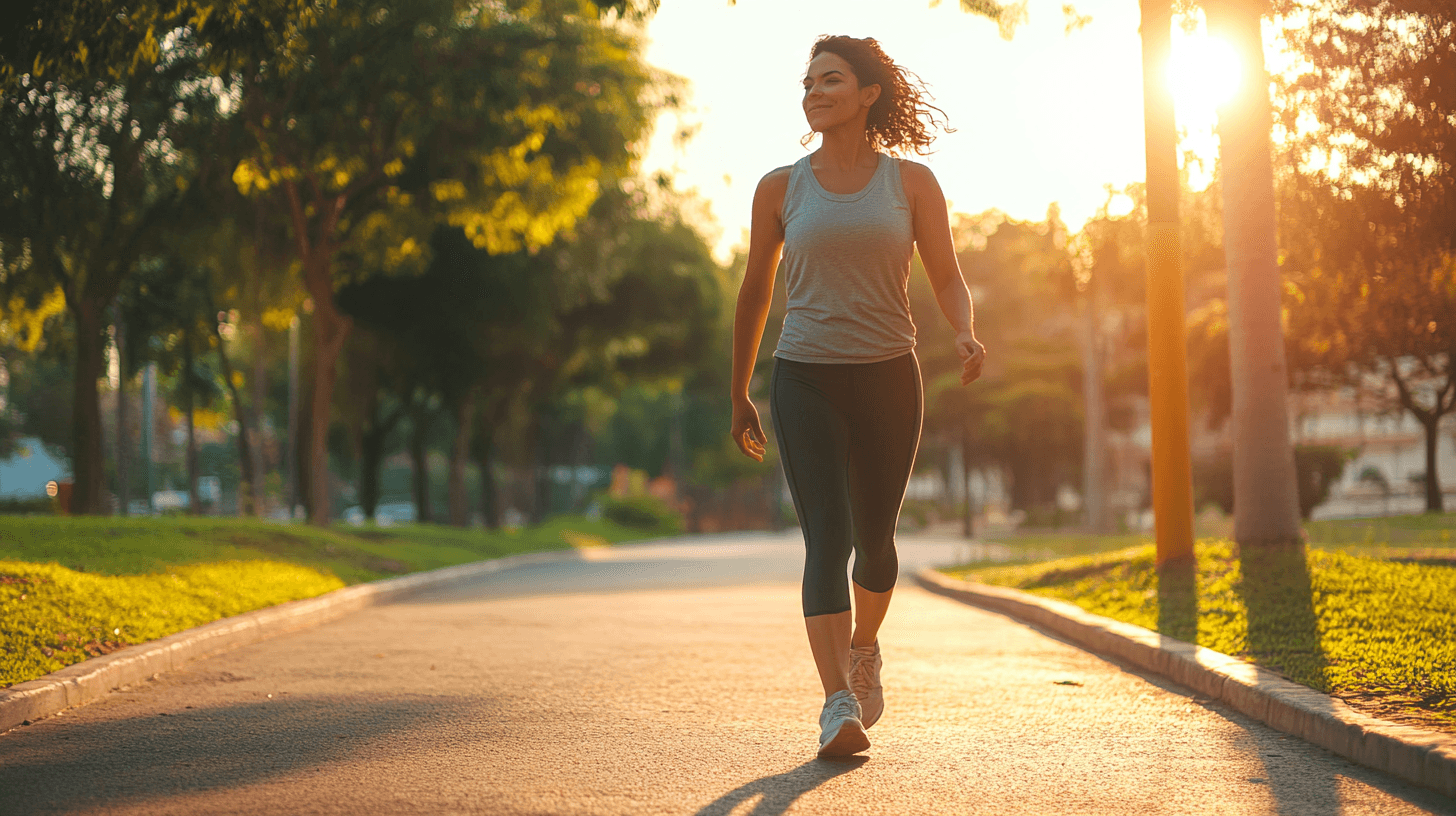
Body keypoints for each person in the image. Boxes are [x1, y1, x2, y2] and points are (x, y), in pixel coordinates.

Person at [729, 34, 985, 758]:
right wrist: (739, 388)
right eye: (807, 82)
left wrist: (964, 331)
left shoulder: (911, 184)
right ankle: (836, 700)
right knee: (827, 538)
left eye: (830, 79)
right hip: (803, 375)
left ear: (868, 95)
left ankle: (864, 646)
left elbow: (947, 274)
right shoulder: (781, 187)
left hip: (888, 376)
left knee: (875, 543)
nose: (813, 91)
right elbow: (755, 292)